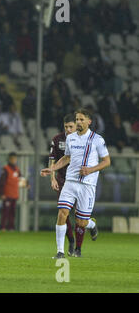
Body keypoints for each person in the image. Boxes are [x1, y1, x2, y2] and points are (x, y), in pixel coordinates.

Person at [41, 108, 111, 258]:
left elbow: (106, 161)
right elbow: (66, 158)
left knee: (81, 222)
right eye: (77, 119)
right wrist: (52, 168)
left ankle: (91, 224)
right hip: (70, 182)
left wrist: (91, 169)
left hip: (87, 185)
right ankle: (60, 251)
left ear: (89, 122)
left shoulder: (97, 140)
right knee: (62, 213)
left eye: (81, 120)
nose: (78, 122)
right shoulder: (71, 138)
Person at [48, 114, 77, 256]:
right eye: (66, 127)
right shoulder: (57, 139)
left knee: (80, 216)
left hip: (80, 181)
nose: (68, 129)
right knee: (63, 212)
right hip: (62, 180)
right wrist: (52, 179)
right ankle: (70, 241)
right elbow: (52, 160)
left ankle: (91, 224)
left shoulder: (82, 139)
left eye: (71, 126)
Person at [0, 152, 28, 231]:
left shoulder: (17, 169)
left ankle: (11, 227)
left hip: (14, 194)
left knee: (12, 212)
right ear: (9, 159)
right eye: (12, 159)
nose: (14, 160)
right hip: (7, 194)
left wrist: (27, 184)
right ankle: (3, 227)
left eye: (15, 159)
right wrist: (2, 193)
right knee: (5, 212)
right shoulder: (5, 169)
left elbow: (21, 179)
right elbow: (2, 182)